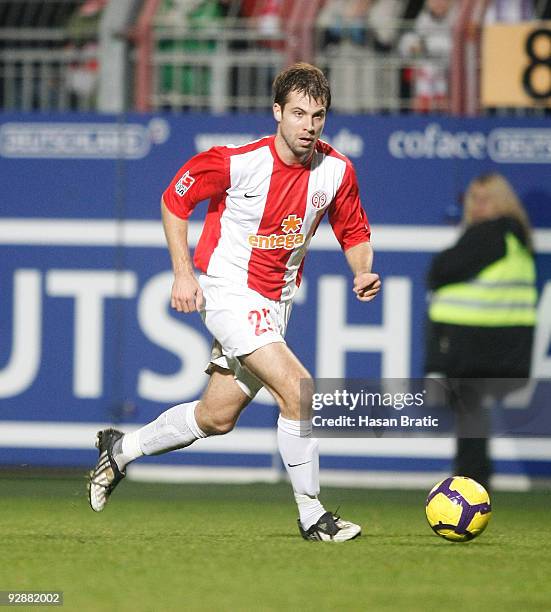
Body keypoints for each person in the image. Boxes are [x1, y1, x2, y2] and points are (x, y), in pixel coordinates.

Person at [88, 62, 381, 542]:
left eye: (318, 115)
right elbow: (173, 199)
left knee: (216, 418)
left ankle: (120, 450)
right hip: (227, 291)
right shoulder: (237, 161)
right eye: (299, 114)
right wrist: (184, 274)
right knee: (299, 391)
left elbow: (354, 230)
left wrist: (362, 269)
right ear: (277, 113)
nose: (309, 126)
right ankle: (313, 515)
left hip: (275, 305)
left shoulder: (336, 171)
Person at [425, 173, 537, 490]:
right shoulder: (515, 237)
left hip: (477, 344)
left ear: (502, 201)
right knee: (470, 412)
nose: (476, 206)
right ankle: (474, 479)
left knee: (469, 411)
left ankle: (471, 482)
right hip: (503, 344)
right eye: (473, 199)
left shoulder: (490, 233)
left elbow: (440, 269)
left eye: (485, 198)